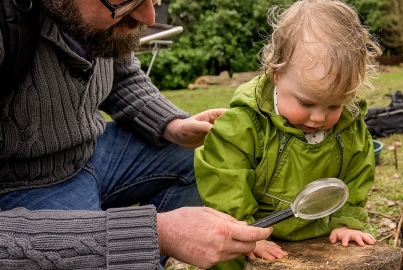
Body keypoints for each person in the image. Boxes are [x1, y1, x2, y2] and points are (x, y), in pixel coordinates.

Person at [0, 0, 272, 269]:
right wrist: (154, 233)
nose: (149, 17)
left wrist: (173, 126)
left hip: (89, 155)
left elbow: (120, 73)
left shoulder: (98, 22)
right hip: (20, 187)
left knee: (198, 157)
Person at [194, 0, 382, 269]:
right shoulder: (245, 123)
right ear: (276, 74)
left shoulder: (350, 129)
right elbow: (224, 179)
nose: (318, 117)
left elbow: (356, 176)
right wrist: (246, 233)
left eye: (334, 105)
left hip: (317, 233)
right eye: (306, 104)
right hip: (250, 232)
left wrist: (346, 222)